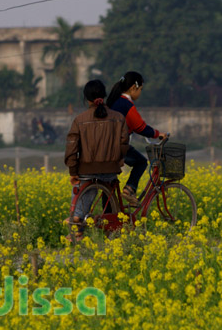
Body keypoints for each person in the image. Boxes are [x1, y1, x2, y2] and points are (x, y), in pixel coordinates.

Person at [64, 79, 129, 240]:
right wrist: (117, 161)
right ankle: (110, 232)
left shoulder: (80, 120)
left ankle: (77, 225)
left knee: (83, 187)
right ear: (104, 96)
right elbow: (124, 143)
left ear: (86, 98)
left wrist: (73, 171)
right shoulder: (118, 118)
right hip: (110, 171)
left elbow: (72, 149)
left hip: (87, 171)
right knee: (108, 191)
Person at [107, 71, 164, 207]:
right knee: (141, 162)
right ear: (133, 88)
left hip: (105, 145)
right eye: (140, 90)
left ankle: (108, 216)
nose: (140, 93)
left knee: (108, 184)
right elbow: (140, 127)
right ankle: (129, 189)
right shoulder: (126, 105)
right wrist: (158, 134)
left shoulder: (113, 102)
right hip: (117, 146)